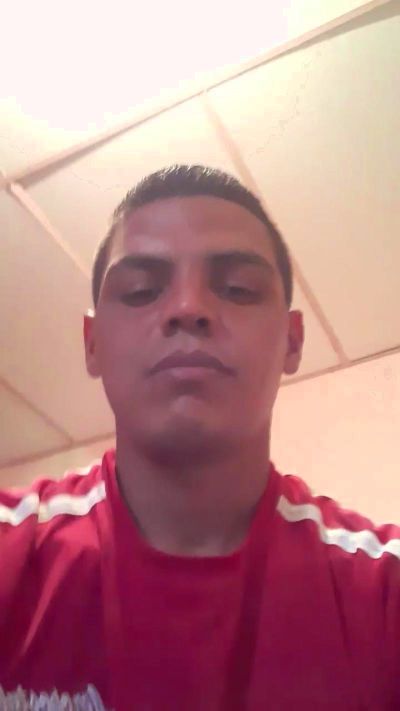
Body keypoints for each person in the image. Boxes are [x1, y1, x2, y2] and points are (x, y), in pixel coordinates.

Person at [0, 165, 399, 711]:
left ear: (292, 341)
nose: (188, 308)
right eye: (141, 291)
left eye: (238, 289)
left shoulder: (384, 591)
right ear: (92, 344)